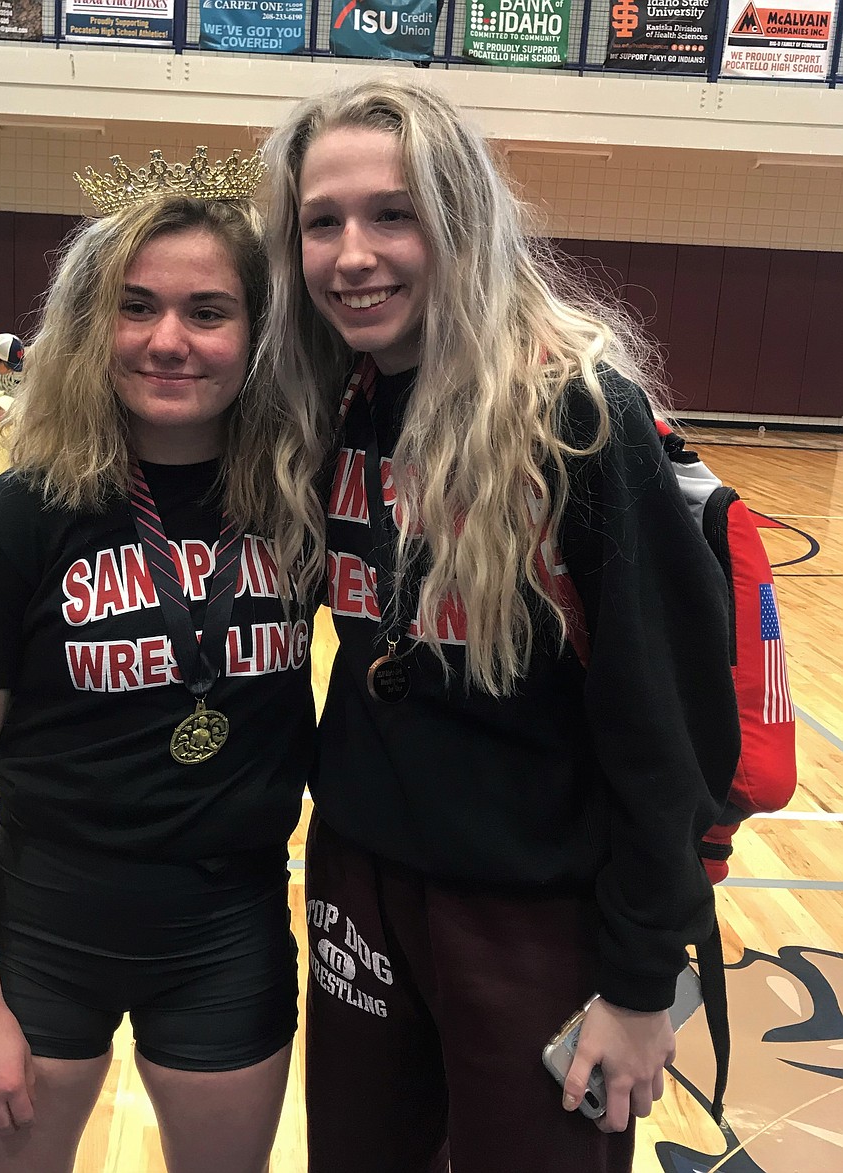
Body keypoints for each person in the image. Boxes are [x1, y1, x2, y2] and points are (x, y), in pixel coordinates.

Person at [259, 76, 742, 1173]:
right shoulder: (330, 399)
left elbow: (666, 727)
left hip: (538, 915)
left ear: (461, 221)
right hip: (359, 884)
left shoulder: (574, 410)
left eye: (394, 214)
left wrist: (636, 983)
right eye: (321, 222)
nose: (352, 253)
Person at [0, 152, 312, 1173]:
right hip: (45, 926)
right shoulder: (23, 513)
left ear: (256, 335)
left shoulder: (299, 502)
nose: (169, 340)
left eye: (207, 311)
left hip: (230, 924)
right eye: (137, 308)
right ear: (94, 328)